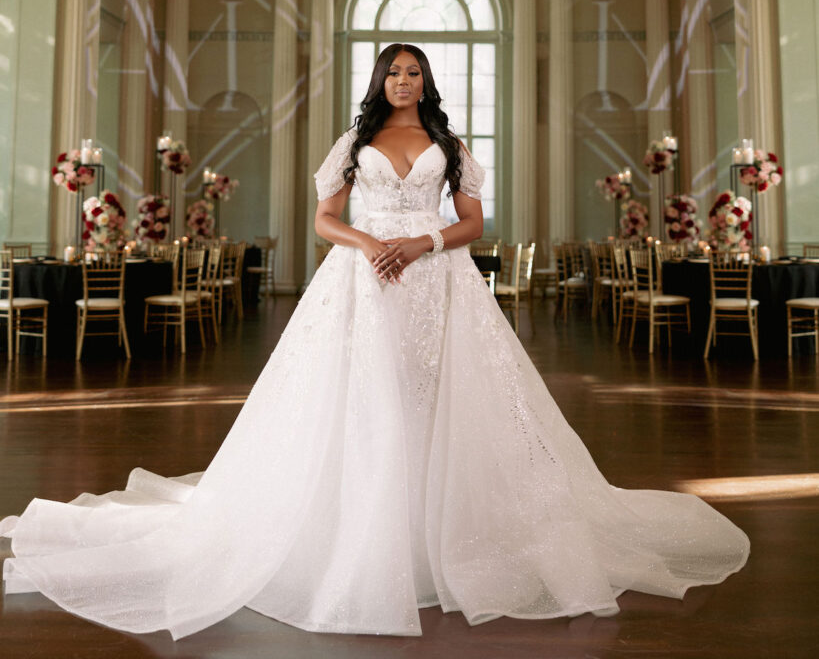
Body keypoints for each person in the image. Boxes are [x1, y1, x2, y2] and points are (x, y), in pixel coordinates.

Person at [0, 43, 749, 640]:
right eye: (392, 70)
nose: (401, 80)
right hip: (362, 280)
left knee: (439, 396)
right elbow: (324, 218)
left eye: (413, 71)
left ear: (426, 82)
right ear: (379, 80)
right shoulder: (352, 140)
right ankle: (362, 532)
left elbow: (472, 226)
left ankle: (443, 530)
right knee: (363, 398)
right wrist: (367, 244)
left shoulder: (448, 143)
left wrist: (419, 243)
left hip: (434, 279)